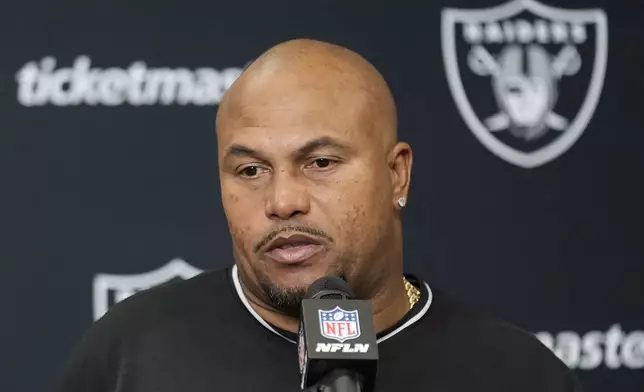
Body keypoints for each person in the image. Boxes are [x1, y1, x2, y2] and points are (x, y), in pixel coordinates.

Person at [56, 39, 583, 392]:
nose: (283, 201)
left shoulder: (515, 373)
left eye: (320, 162)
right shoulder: (131, 354)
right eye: (251, 171)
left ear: (396, 175)